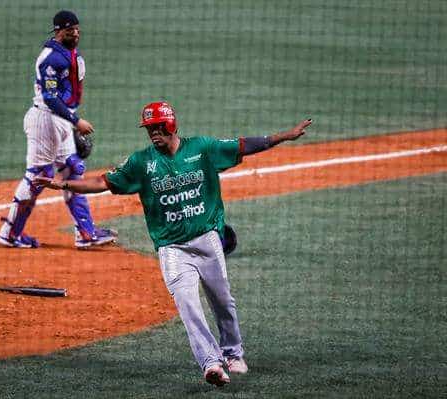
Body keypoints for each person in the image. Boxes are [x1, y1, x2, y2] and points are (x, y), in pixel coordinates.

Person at [34, 101, 312, 386]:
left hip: (207, 241)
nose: (154, 133)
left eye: (158, 127)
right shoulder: (141, 162)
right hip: (172, 249)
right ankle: (211, 363)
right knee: (189, 307)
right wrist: (63, 185)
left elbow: (243, 146)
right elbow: (104, 182)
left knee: (223, 301)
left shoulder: (202, 149)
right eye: (149, 129)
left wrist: (284, 136)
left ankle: (232, 352)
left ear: (172, 125)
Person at [0, 10, 117, 249]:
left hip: (59, 120)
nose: (76, 33)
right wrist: (75, 120)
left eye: (77, 29)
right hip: (45, 119)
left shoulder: (71, 54)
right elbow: (51, 98)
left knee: (73, 169)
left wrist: (69, 121)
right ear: (59, 31)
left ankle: (86, 233)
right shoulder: (50, 58)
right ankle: (9, 234)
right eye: (71, 29)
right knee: (39, 175)